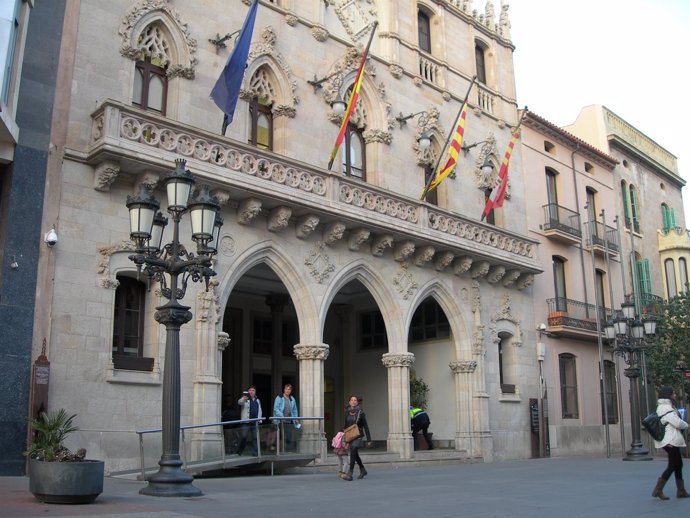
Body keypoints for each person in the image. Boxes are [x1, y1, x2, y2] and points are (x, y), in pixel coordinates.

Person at [652, 386, 689, 500]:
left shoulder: (666, 406)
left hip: (672, 439)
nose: (675, 395)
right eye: (673, 394)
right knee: (673, 465)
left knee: (678, 464)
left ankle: (681, 491)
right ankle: (658, 490)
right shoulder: (665, 407)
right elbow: (676, 422)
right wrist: (687, 425)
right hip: (670, 440)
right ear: (668, 395)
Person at [343, 395, 371, 481]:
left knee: (354, 449)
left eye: (355, 400)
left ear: (357, 402)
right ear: (349, 402)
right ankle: (363, 470)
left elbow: (365, 426)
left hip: (358, 435)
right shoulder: (347, 412)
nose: (353, 401)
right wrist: (345, 439)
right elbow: (346, 426)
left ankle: (350, 472)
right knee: (355, 453)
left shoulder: (361, 412)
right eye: (352, 400)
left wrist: (369, 439)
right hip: (350, 435)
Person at [272, 383, 300, 452]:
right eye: (286, 389)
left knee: (288, 436)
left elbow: (294, 410)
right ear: (284, 390)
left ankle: (287, 450)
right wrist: (282, 416)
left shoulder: (292, 399)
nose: (288, 391)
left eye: (289, 389)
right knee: (280, 435)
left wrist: (296, 419)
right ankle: (276, 449)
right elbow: (276, 409)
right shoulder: (279, 397)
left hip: (289, 421)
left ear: (291, 391)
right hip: (280, 420)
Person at [237, 386, 262, 456]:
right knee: (244, 437)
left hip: (255, 422)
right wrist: (243, 398)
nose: (251, 391)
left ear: (255, 392)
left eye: (253, 390)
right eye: (250, 390)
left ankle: (255, 453)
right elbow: (239, 402)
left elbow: (260, 410)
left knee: (255, 437)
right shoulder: (245, 399)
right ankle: (239, 452)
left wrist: (259, 419)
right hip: (246, 422)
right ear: (248, 392)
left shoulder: (257, 400)